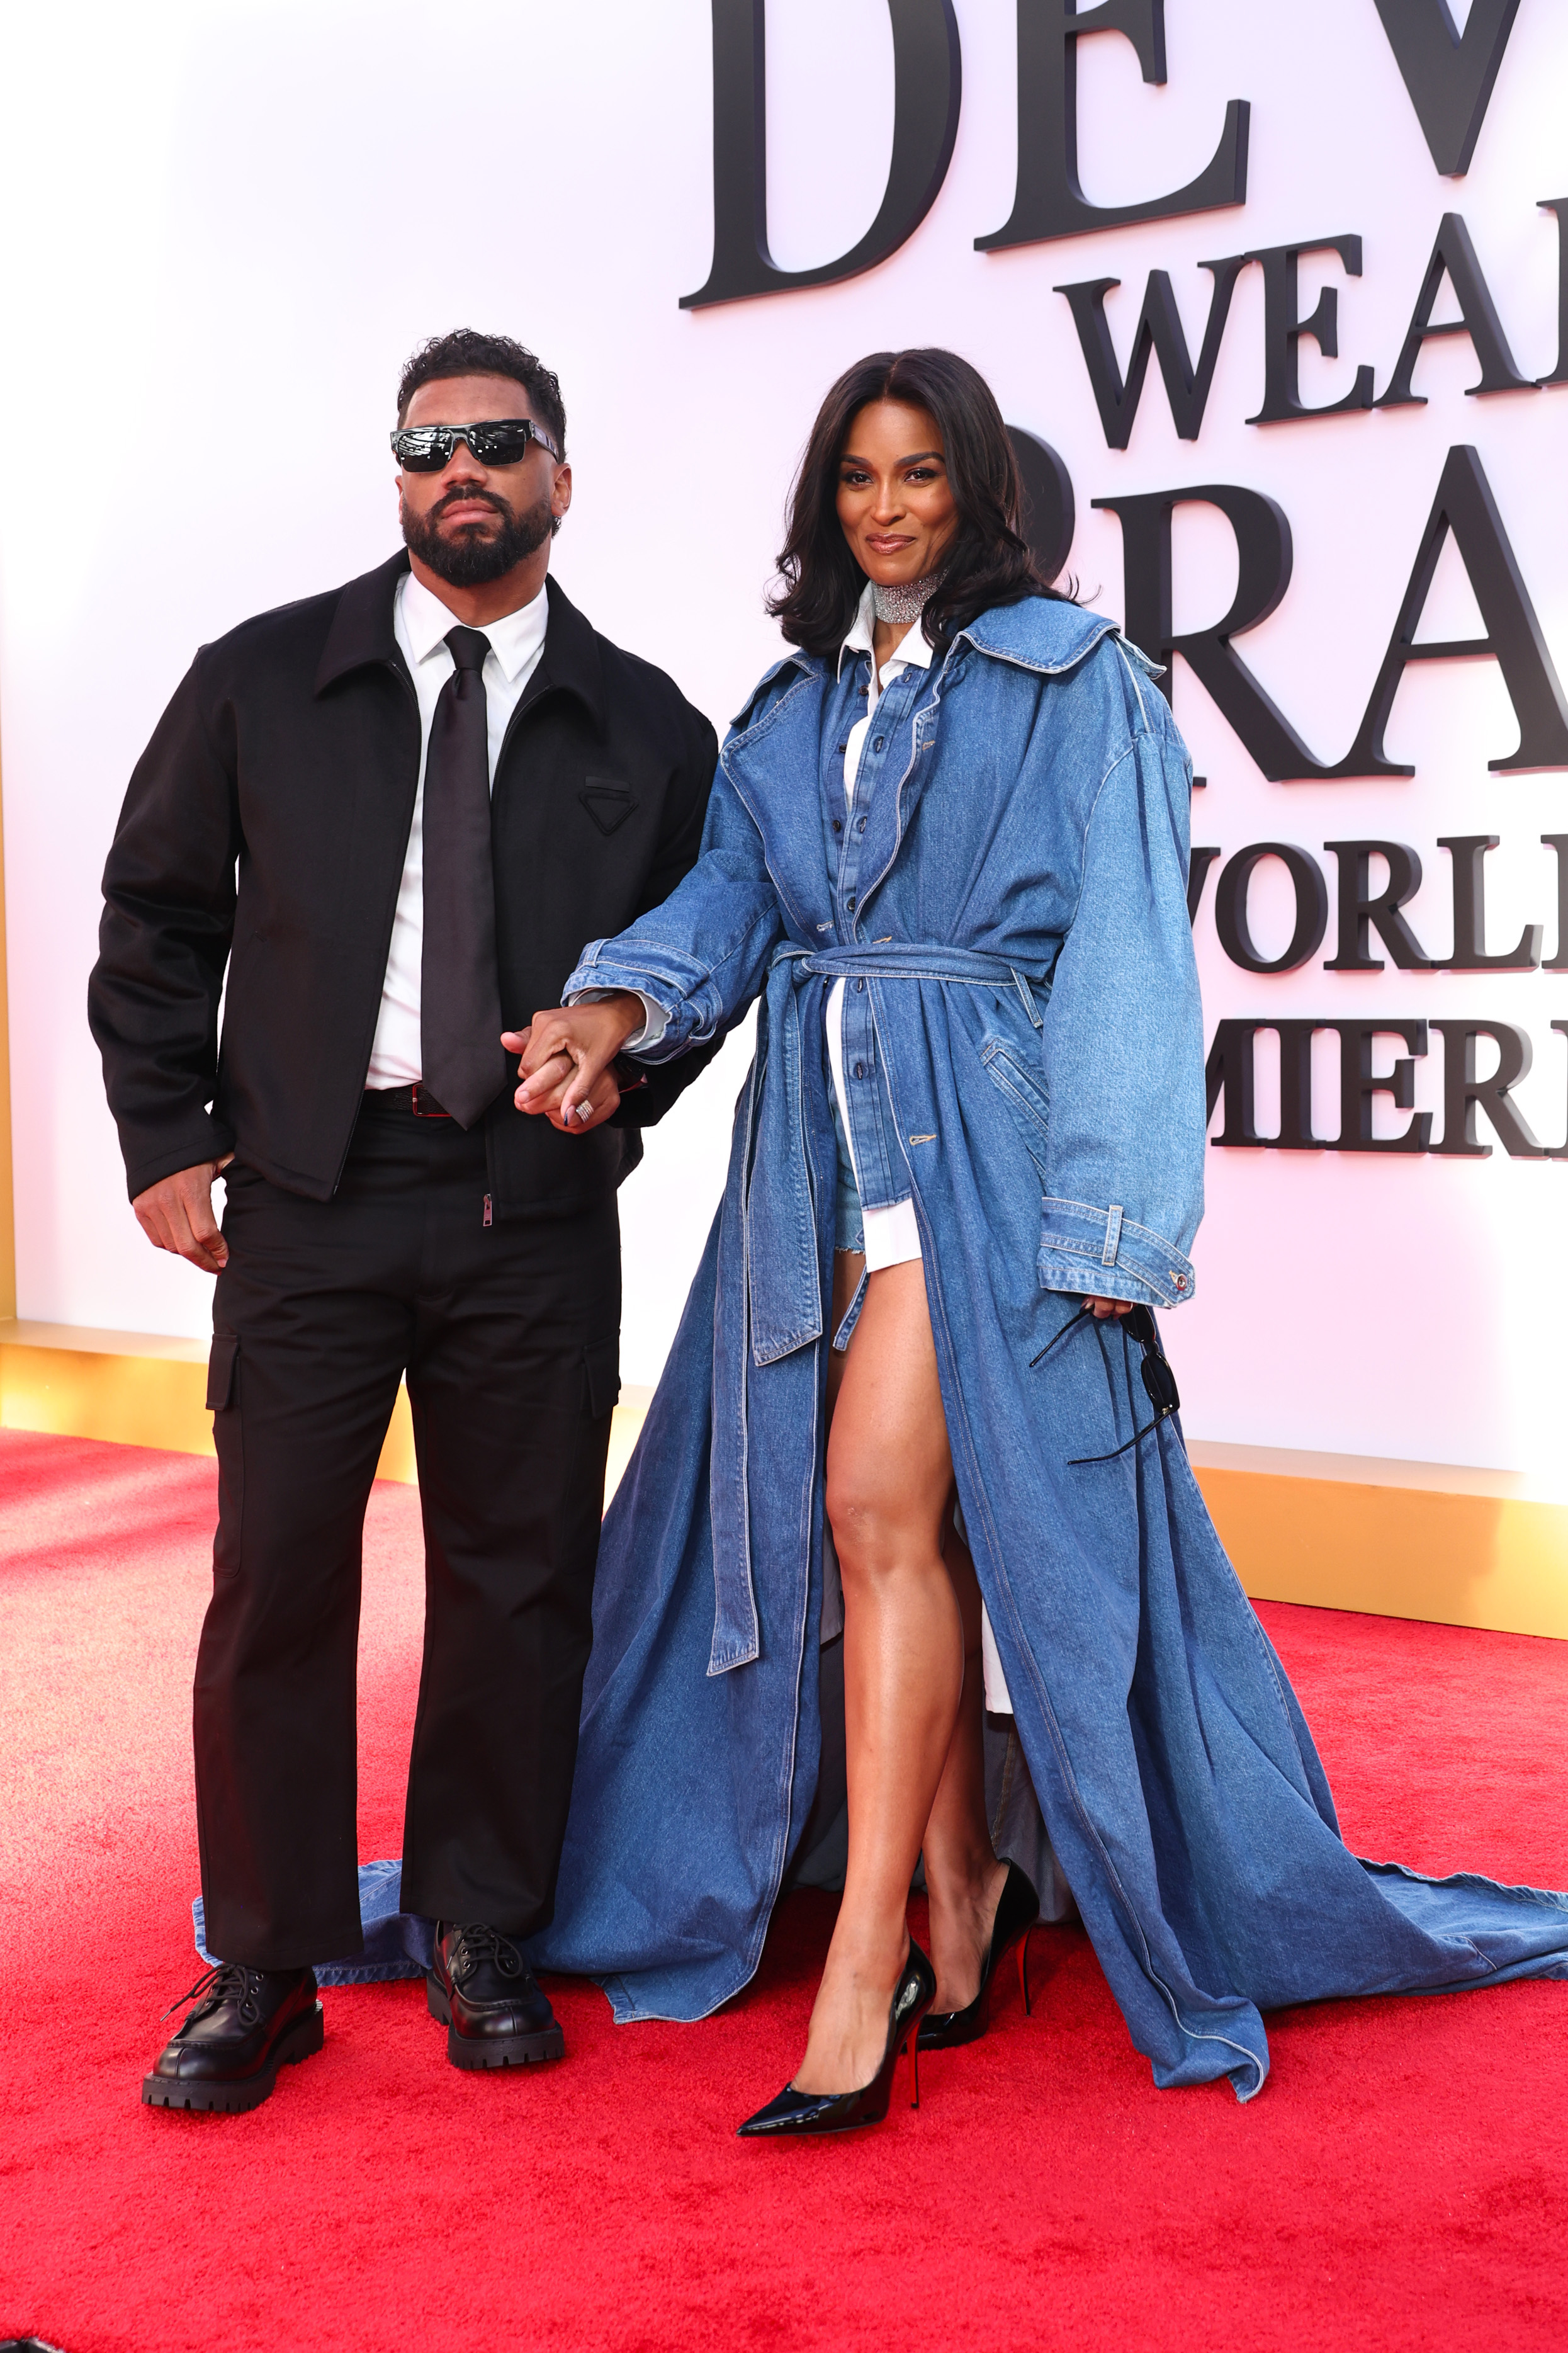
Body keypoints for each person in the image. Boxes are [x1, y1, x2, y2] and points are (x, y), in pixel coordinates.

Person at [511, 348, 1568, 2133]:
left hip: (981, 1158)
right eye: (856, 474)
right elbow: (731, 900)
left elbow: (1136, 957)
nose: (885, 505)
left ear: (980, 491)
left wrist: (1110, 1219)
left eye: (919, 472)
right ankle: (956, 1895)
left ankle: (862, 1966)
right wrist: (613, 1009)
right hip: (817, 1158)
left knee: (865, 1509)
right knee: (894, 1531)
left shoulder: (1079, 679)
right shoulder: (786, 710)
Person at [89, 329, 718, 2112]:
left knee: (518, 1577)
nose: (464, 470)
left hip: (529, 1208)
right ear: (397, 479)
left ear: (559, 481)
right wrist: (165, 1137)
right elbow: (152, 922)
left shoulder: (647, 724)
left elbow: (695, 965)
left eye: (499, 443)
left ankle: (480, 1922)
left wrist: (624, 1092)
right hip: (307, 1193)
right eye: (430, 444)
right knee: (276, 1575)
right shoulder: (261, 680)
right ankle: (265, 1961)